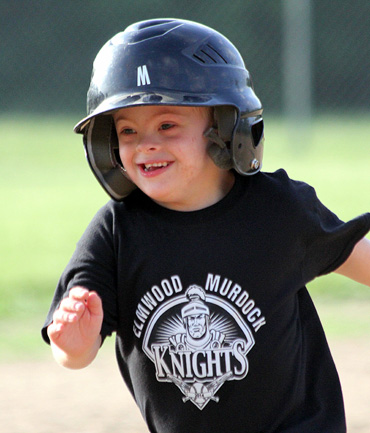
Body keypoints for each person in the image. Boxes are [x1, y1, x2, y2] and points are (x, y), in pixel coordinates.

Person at [42, 18, 370, 432]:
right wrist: (73, 341)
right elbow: (75, 352)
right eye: (127, 130)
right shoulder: (115, 233)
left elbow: (362, 262)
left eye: (167, 125)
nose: (146, 144)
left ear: (223, 127)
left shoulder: (277, 210)